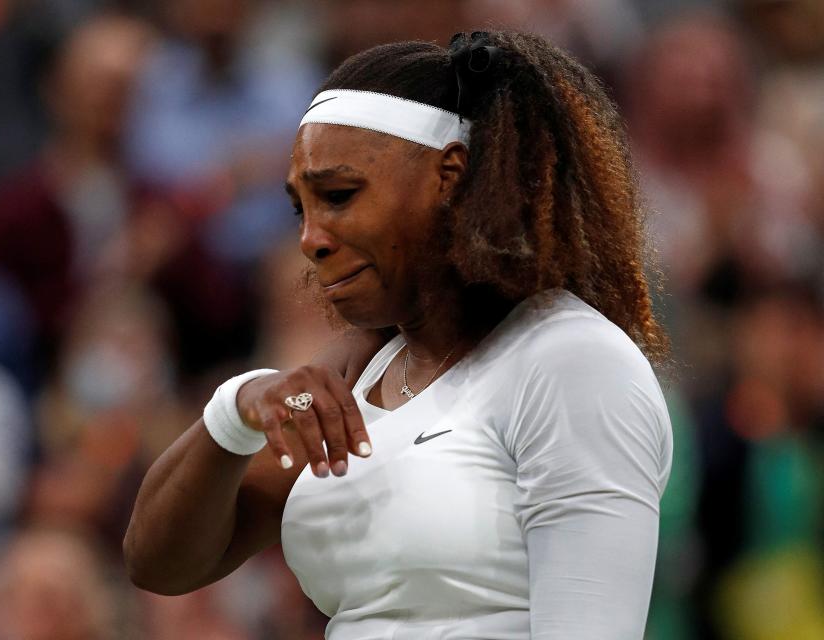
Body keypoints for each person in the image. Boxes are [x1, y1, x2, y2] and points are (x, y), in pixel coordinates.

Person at [125, 30, 673, 639]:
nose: (311, 238)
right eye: (300, 209)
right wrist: (240, 409)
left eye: (338, 195)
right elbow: (158, 562)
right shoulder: (360, 371)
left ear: (450, 177)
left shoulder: (571, 360)